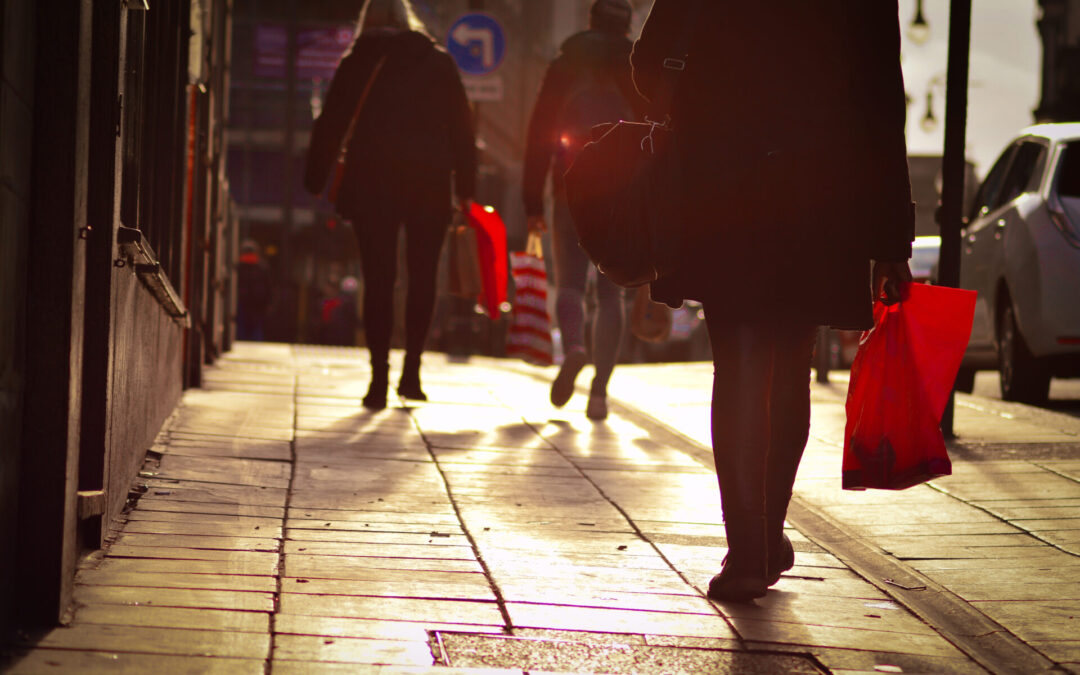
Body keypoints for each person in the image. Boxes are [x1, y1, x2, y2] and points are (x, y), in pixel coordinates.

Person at [631, 2, 914, 601]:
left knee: (738, 363)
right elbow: (883, 101)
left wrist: (702, 102)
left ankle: (748, 550)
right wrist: (891, 237)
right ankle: (766, 532)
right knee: (790, 365)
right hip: (820, 195)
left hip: (721, 185)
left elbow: (649, 59)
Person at [304, 0, 477, 410]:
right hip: (429, 184)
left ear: (369, 21)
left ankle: (378, 379)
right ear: (407, 19)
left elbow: (331, 121)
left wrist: (315, 178)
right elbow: (461, 127)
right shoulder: (438, 62)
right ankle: (412, 371)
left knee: (378, 278)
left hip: (372, 184)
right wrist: (466, 186)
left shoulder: (359, 61)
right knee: (422, 276)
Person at [522, 0, 647, 421]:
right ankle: (599, 392)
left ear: (591, 20)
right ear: (626, 23)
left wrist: (531, 199)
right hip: (625, 194)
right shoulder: (637, 68)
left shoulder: (564, 65)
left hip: (569, 187)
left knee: (571, 282)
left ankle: (573, 347)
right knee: (611, 293)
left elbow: (539, 132)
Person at [236, 240, 271, 341]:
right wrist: (268, 303)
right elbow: (268, 286)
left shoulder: (239, 267)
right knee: (256, 328)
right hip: (258, 303)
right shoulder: (262, 267)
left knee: (241, 328)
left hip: (243, 301)